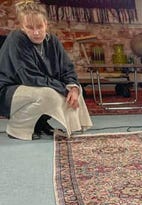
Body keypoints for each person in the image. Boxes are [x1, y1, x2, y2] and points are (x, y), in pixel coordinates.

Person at [0, 0, 92, 140]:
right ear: (22, 27)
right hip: (7, 92)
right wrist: (63, 88)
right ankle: (17, 128)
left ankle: (39, 124)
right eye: (30, 27)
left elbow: (67, 68)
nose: (36, 32)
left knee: (74, 89)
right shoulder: (16, 39)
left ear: (46, 24)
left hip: (35, 88)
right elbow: (29, 77)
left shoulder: (52, 41)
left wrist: (73, 87)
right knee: (49, 94)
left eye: (39, 26)